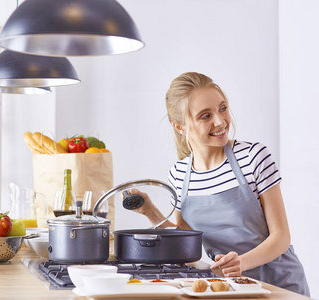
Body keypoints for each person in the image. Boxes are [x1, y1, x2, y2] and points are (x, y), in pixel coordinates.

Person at [130, 72, 309, 296]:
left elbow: (281, 238)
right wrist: (150, 211)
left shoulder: (253, 156)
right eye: (205, 116)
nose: (220, 121)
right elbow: (185, 241)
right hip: (226, 288)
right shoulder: (179, 173)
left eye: (222, 109)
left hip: (279, 284)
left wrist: (240, 263)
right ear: (180, 127)